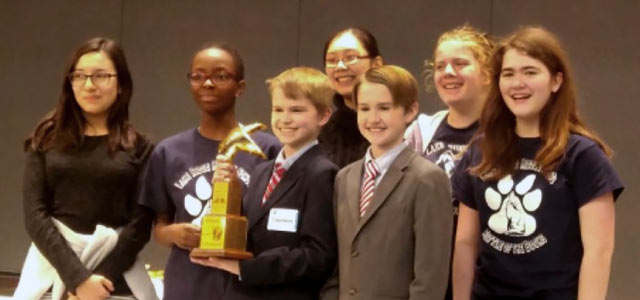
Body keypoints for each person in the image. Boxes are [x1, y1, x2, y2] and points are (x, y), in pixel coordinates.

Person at [451, 26, 624, 300]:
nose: (517, 83)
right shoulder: (480, 151)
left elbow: (598, 251)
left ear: (556, 81)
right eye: (508, 74)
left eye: (530, 72)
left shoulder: (583, 155)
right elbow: (465, 243)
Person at [16, 37, 156, 300]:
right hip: (53, 270)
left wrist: (98, 283)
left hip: (115, 278)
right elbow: (35, 215)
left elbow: (140, 224)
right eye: (79, 76)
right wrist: (77, 279)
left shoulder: (140, 146)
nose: (89, 85)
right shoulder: (46, 138)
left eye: (101, 75)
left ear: (121, 84)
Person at [138, 42, 280, 300]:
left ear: (241, 87)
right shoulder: (168, 152)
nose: (208, 83)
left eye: (220, 75)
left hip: (248, 284)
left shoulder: (267, 148)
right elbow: (159, 226)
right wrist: (175, 234)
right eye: (198, 76)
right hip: (189, 284)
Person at [192, 67, 338, 300]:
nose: (285, 119)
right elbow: (253, 233)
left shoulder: (322, 173)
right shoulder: (261, 171)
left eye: (297, 110)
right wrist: (229, 197)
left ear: (323, 116)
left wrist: (244, 268)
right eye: (278, 109)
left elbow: (316, 256)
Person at [321, 65, 452, 300]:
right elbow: (338, 262)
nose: (373, 119)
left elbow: (430, 277)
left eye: (384, 108)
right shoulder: (345, 177)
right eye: (364, 108)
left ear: (410, 111)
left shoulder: (427, 179)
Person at [404, 25, 495, 300]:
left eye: (460, 64)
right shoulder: (419, 132)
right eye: (441, 65)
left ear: (488, 74)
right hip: (427, 272)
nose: (448, 73)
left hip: (484, 276)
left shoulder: (505, 136)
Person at [318, 27, 383, 168]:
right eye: (332, 60)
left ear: (376, 64)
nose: (340, 67)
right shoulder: (320, 132)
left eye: (351, 57)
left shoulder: (399, 127)